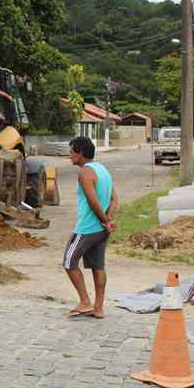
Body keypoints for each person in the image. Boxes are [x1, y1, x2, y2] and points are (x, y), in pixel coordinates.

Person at [63, 136, 118, 319]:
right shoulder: (103, 170)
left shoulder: (86, 172)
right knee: (98, 266)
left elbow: (92, 200)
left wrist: (104, 220)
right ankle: (99, 308)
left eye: (71, 152)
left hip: (87, 228)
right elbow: (114, 199)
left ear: (80, 153)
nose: (69, 156)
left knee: (69, 262)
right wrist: (108, 220)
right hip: (101, 229)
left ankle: (85, 302)